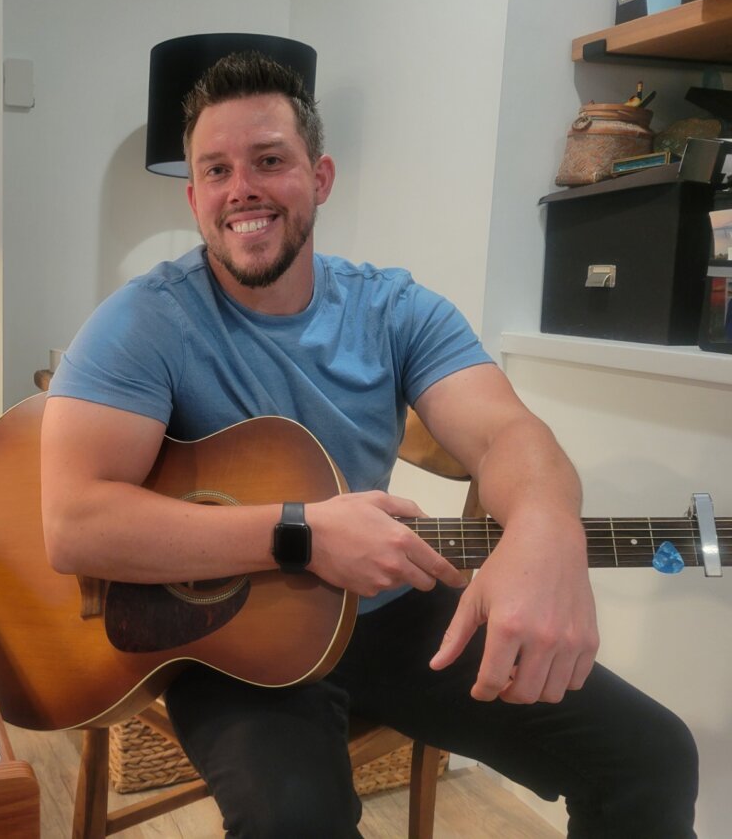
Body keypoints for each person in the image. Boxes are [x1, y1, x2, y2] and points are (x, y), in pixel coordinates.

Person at [39, 51, 697, 838]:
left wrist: (547, 529)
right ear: (194, 197)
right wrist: (303, 534)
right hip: (234, 640)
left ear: (320, 177)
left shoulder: (396, 309)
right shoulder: (144, 322)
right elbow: (75, 522)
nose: (240, 187)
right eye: (216, 170)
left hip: (390, 618)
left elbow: (509, 434)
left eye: (269, 161)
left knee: (653, 756)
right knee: (296, 822)